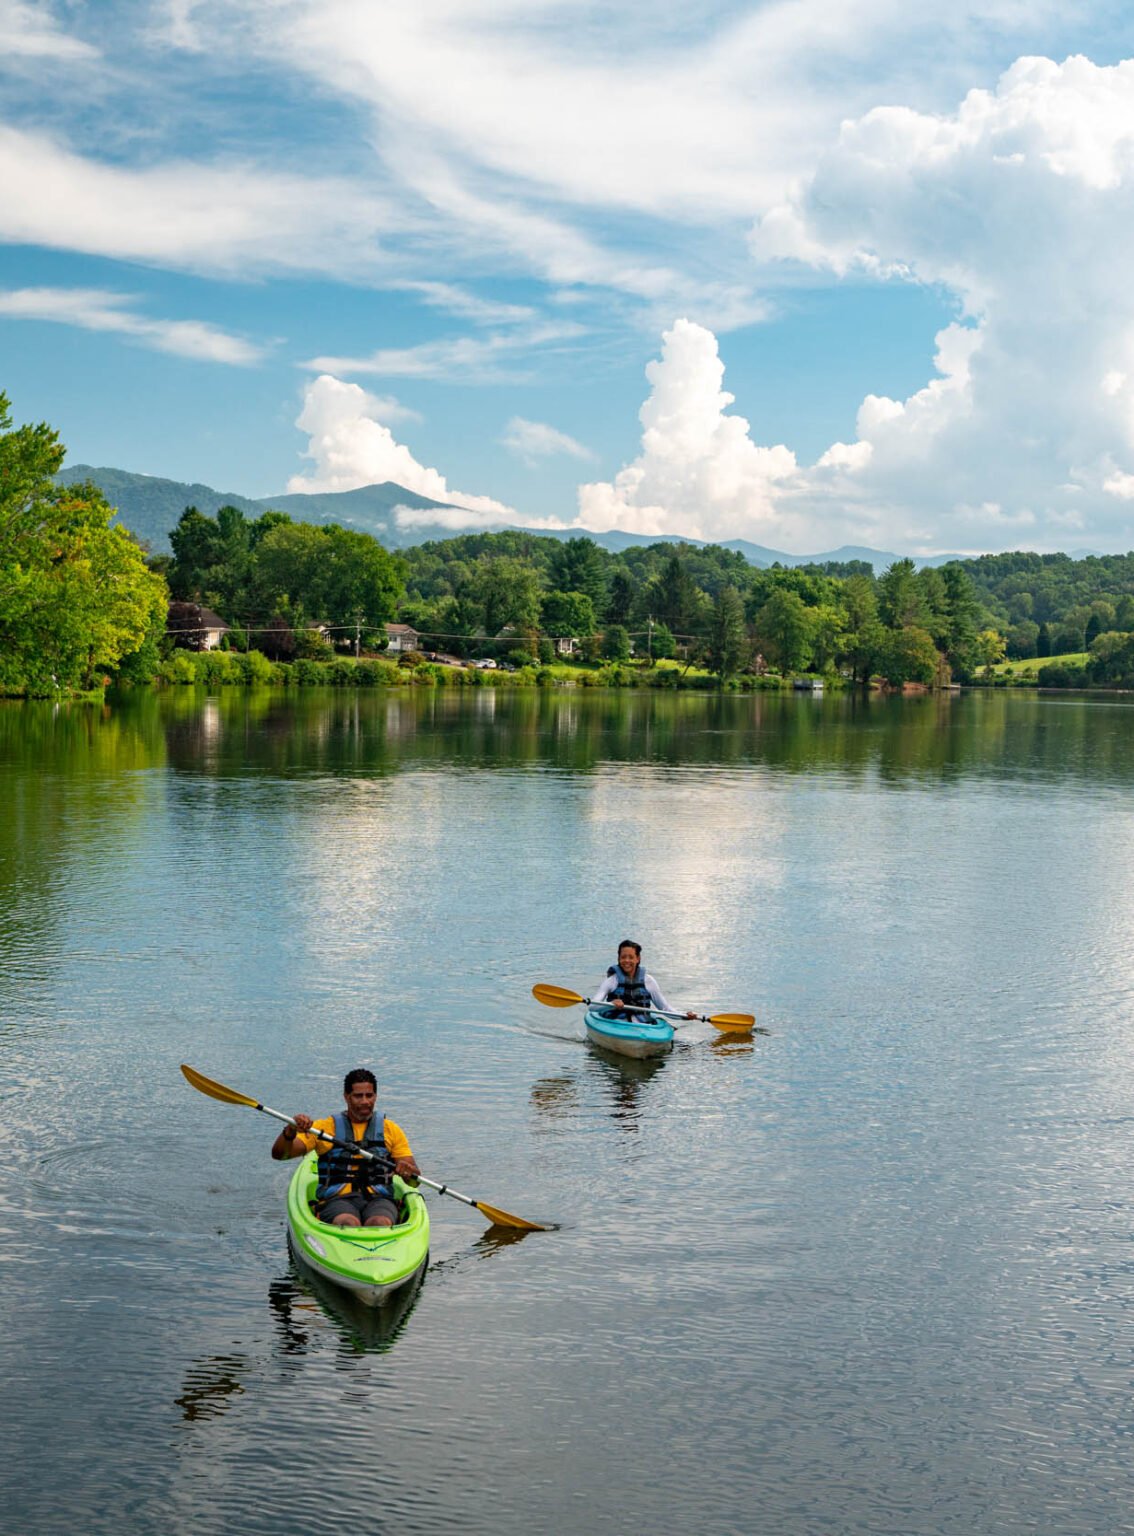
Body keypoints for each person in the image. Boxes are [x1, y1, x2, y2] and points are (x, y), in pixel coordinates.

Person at [271, 1068, 420, 1228]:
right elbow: (281, 1154)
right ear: (346, 1097)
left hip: (379, 1200)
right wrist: (290, 1131)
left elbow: (414, 1181)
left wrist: (408, 1172)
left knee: (379, 1223)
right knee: (349, 1222)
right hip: (337, 1200)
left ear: (375, 1096)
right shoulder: (324, 1128)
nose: (365, 1101)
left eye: (369, 1095)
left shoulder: (390, 1129)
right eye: (358, 1096)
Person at [592, 939, 696, 1022]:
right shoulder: (611, 981)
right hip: (616, 1023)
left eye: (631, 957)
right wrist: (612, 1004)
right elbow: (593, 1007)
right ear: (619, 959)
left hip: (641, 1026)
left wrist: (684, 1016)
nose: (627, 961)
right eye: (623, 957)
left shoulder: (649, 981)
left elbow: (664, 1008)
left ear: (638, 959)